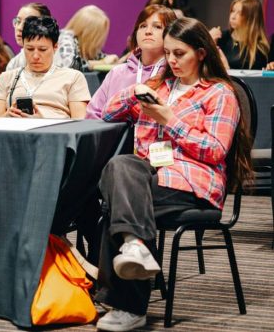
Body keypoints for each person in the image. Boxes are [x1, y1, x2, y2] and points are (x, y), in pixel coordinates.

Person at [94, 17, 252, 331]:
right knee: (120, 166)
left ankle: (128, 304)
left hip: (193, 184)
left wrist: (169, 119)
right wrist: (134, 92)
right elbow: (108, 113)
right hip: (149, 176)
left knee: (117, 202)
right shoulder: (160, 87)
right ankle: (135, 248)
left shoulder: (219, 94)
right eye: (168, 53)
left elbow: (215, 150)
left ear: (201, 53)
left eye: (179, 53)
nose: (172, 60)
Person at [86, 5, 177, 119]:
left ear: (171, 34)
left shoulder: (175, 73)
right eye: (143, 26)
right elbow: (92, 114)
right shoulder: (117, 72)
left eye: (157, 27)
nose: (148, 31)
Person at [0, 16, 90, 119]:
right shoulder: (6, 78)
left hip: (56, 129)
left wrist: (43, 122)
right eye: (29, 49)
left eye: (42, 50)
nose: (35, 56)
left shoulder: (73, 78)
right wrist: (6, 117)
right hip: (14, 128)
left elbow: (80, 124)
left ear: (55, 47)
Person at [209, 0, 269, 70]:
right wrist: (209, 42)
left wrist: (227, 70)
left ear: (251, 18)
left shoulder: (260, 48)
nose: (233, 16)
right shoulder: (221, 38)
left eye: (240, 13)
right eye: (233, 11)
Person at [56, 5, 118, 71]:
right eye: (98, 35)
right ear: (88, 33)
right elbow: (69, 66)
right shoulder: (65, 39)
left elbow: (99, 57)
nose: (99, 40)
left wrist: (113, 60)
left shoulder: (83, 44)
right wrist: (103, 62)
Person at [6, 2, 52, 71]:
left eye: (28, 23)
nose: (19, 28)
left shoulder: (59, 59)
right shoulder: (14, 64)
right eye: (18, 21)